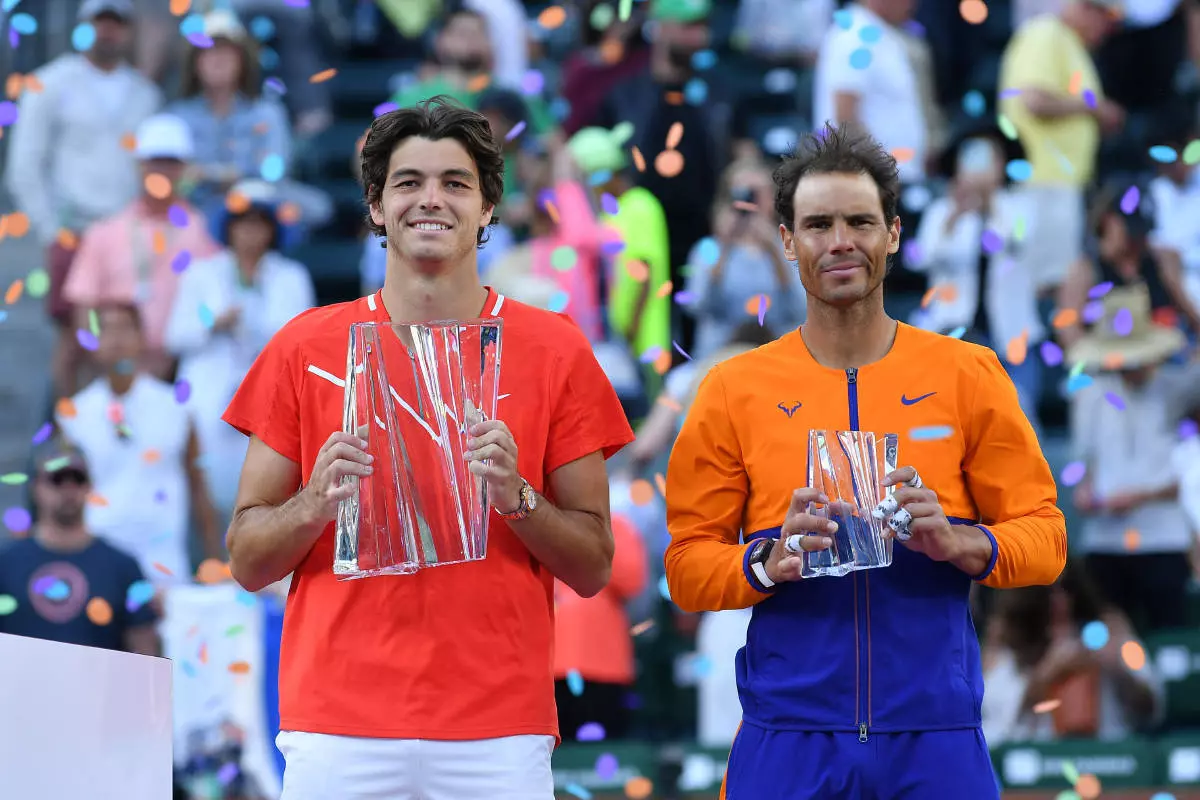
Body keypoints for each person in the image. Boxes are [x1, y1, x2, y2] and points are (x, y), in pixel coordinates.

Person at [221, 96, 634, 800]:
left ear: (488, 209)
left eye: (455, 182)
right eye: (408, 182)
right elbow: (247, 558)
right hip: (337, 724)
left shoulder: (555, 349)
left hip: (497, 730)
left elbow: (594, 565)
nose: (431, 200)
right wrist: (314, 503)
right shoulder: (305, 346)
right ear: (377, 208)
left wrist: (519, 500)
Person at [663, 123, 1068, 800]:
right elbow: (686, 567)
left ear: (895, 235)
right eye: (818, 224)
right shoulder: (734, 387)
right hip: (787, 737)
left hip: (935, 737)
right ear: (788, 241)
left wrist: (961, 541)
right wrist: (766, 560)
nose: (841, 241)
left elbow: (1047, 536)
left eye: (861, 221)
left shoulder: (967, 373)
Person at [0, 439, 159, 656]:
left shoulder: (123, 567)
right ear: (35, 487)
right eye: (57, 478)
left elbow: (144, 650)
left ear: (89, 486)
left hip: (100, 689)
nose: (68, 488)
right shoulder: (6, 564)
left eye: (78, 478)